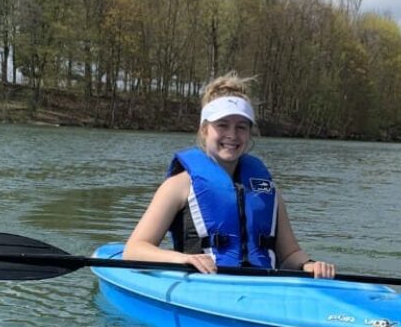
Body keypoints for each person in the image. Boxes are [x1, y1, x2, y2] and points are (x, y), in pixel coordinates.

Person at [124, 72, 336, 278]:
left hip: (264, 289)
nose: (232, 135)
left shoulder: (268, 189)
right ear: (205, 129)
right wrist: (180, 259)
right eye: (222, 125)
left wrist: (309, 264)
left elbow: (289, 255)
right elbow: (134, 250)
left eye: (241, 127)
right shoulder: (178, 186)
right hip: (204, 286)